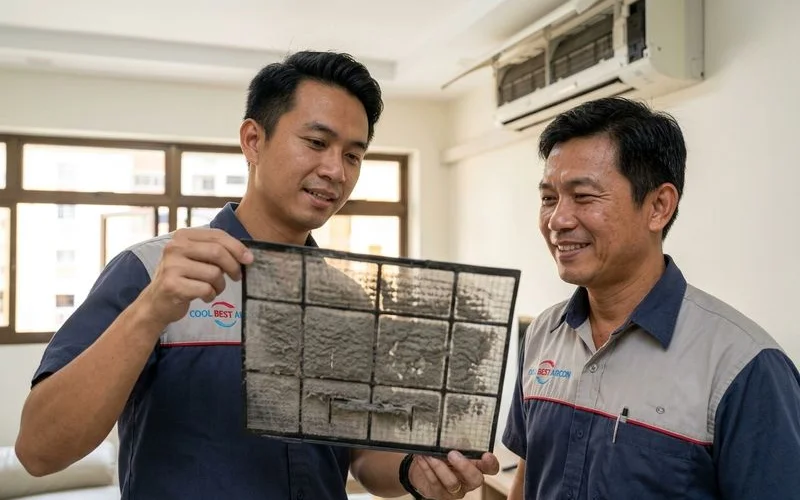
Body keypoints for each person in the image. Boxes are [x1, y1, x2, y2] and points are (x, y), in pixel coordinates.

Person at [15, 50, 499, 500]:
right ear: (253, 140)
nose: (335, 169)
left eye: (353, 155)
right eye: (316, 142)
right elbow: (39, 451)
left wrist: (413, 469)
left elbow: (362, 454)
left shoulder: (348, 300)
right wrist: (150, 312)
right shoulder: (151, 273)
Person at [503, 97, 800, 499]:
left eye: (584, 196)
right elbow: (528, 475)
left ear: (659, 206)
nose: (557, 220)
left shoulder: (744, 366)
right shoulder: (543, 333)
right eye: (549, 198)